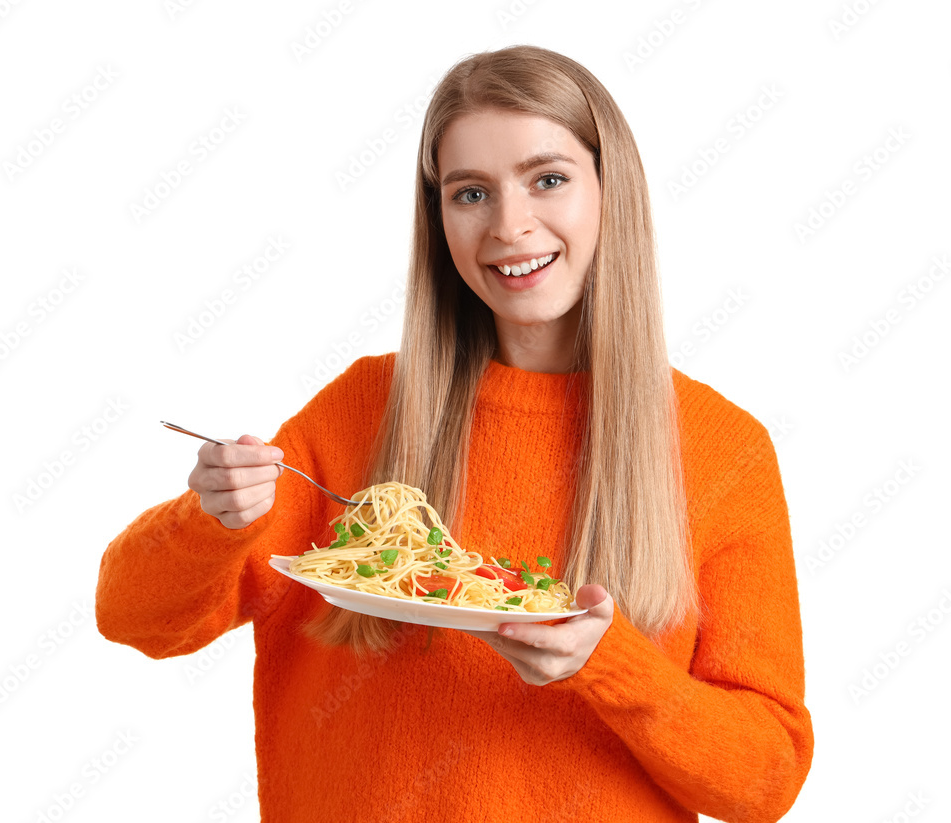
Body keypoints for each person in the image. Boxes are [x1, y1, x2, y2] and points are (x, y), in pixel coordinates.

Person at [96, 45, 813, 822]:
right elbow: (132, 617)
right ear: (438, 219)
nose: (510, 225)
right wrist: (211, 517)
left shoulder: (723, 449)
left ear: (612, 190)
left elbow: (764, 782)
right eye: (471, 192)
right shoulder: (360, 410)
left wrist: (610, 665)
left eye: (549, 179)